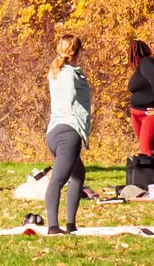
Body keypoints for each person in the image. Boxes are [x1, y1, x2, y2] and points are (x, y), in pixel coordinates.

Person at [44, 33, 93, 235]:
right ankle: (53, 227)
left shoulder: (56, 70)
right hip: (68, 133)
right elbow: (70, 92)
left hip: (54, 133)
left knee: (78, 175)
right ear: (76, 51)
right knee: (58, 179)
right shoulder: (68, 72)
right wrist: (70, 100)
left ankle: (71, 224)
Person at [127, 39, 154, 158]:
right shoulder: (141, 67)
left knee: (145, 149)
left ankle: (145, 175)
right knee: (149, 148)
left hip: (150, 113)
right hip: (137, 113)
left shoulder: (147, 62)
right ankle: (151, 176)